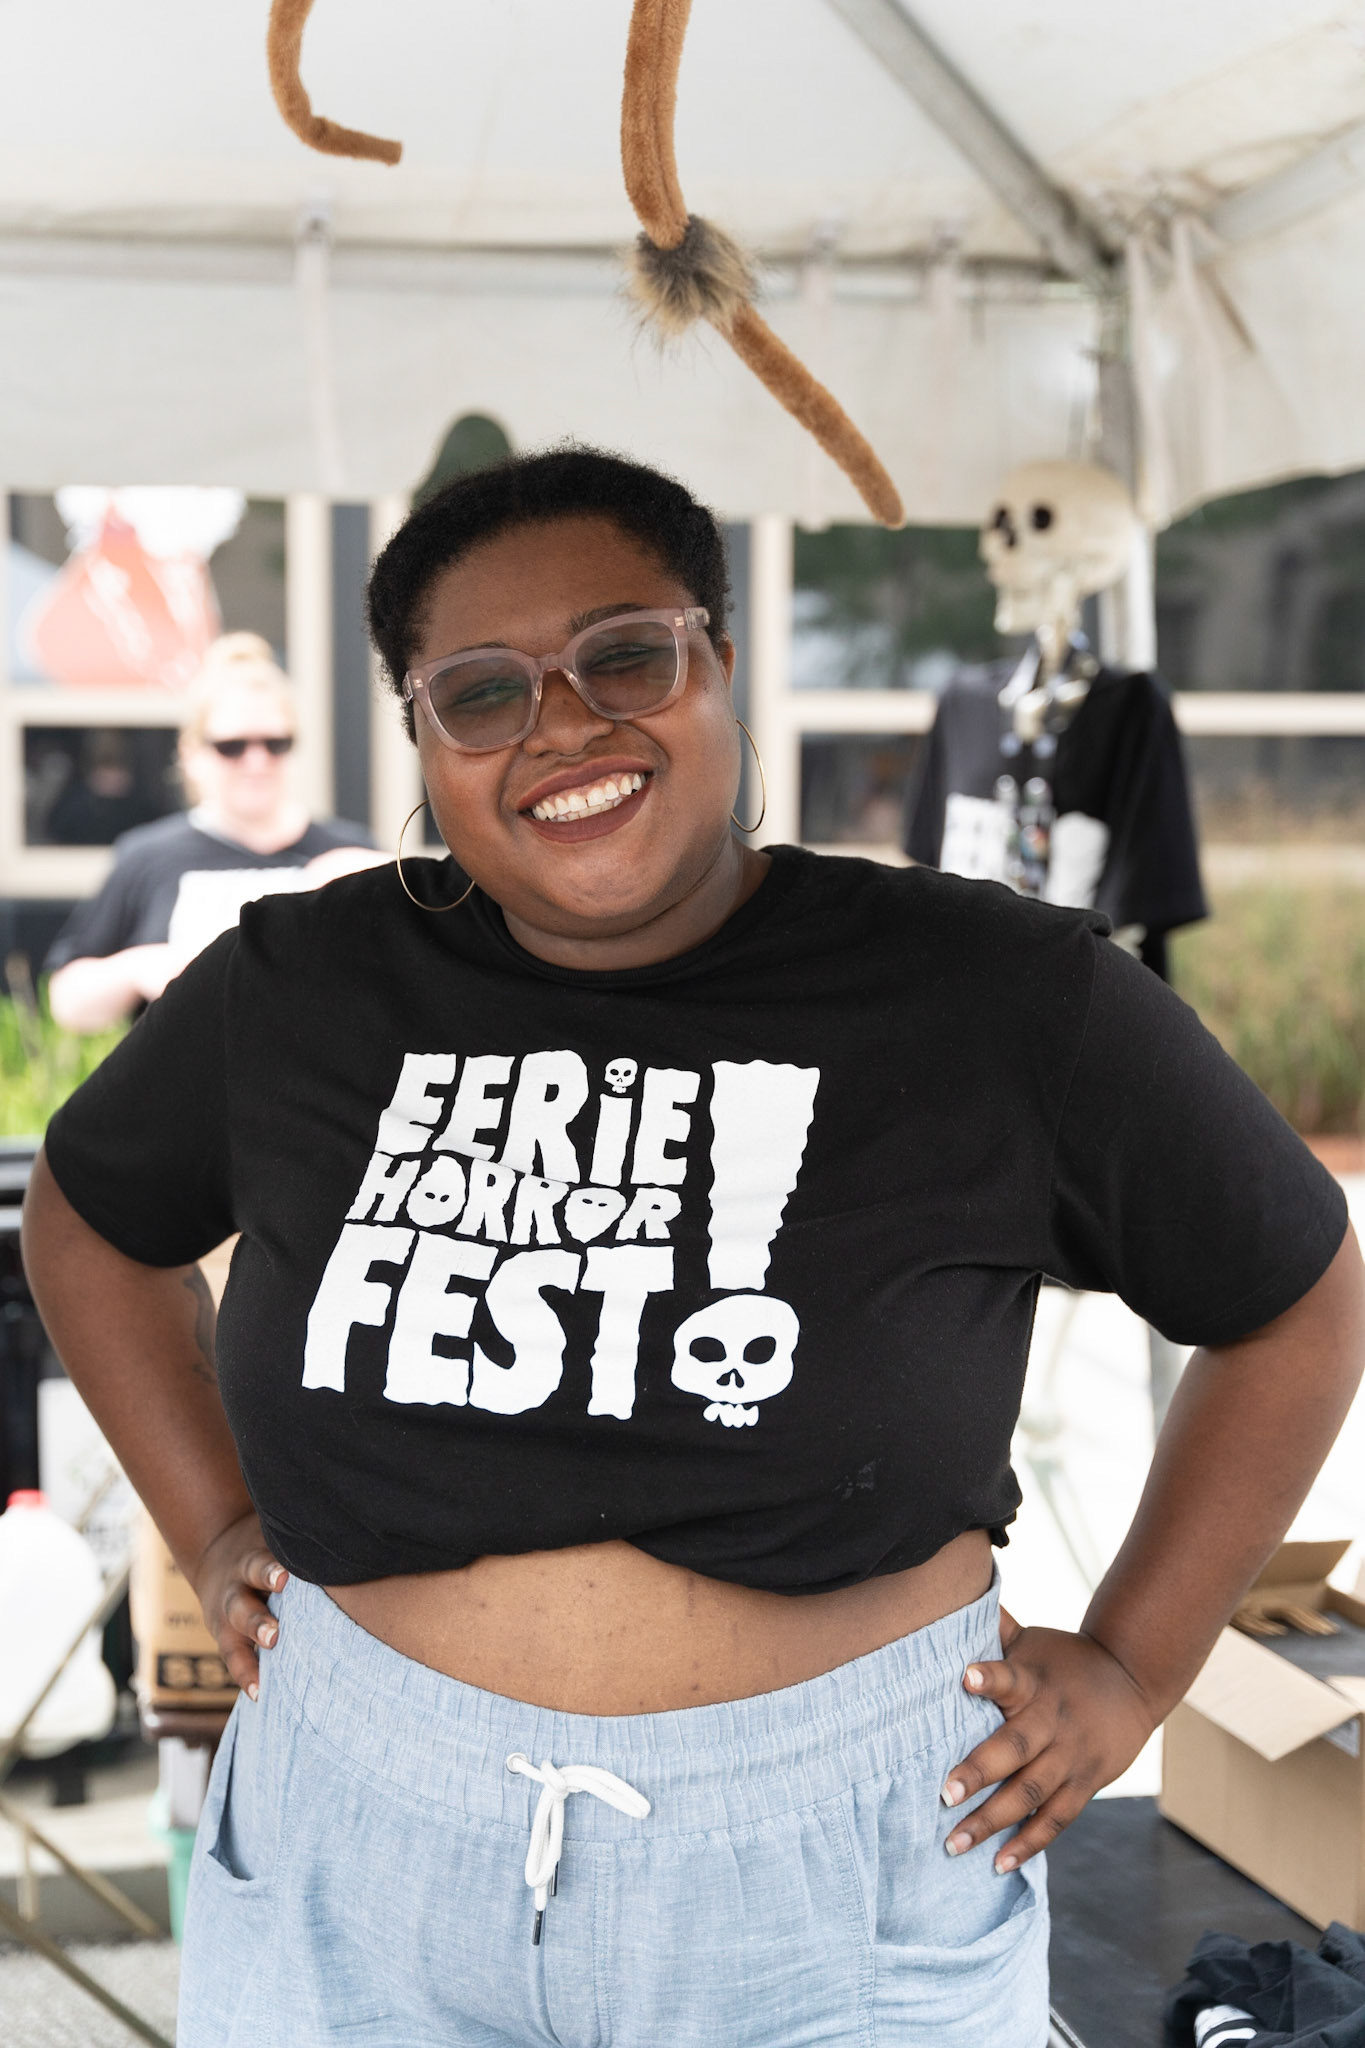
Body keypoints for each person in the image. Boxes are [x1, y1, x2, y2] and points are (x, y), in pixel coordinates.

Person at [21, 450, 1363, 2047]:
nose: (561, 726)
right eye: (481, 693)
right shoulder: (304, 982)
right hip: (358, 1853)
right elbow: (87, 1223)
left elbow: (1295, 1299)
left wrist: (1135, 1665)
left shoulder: (991, 993)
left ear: (719, 661)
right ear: (423, 740)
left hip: (837, 1879)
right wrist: (211, 1522)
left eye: (625, 657)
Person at [45, 633, 380, 1031]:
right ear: (191, 754)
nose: (256, 761)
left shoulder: (349, 853)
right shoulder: (148, 856)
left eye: (275, 743)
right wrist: (137, 968)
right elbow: (67, 1000)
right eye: (232, 746)